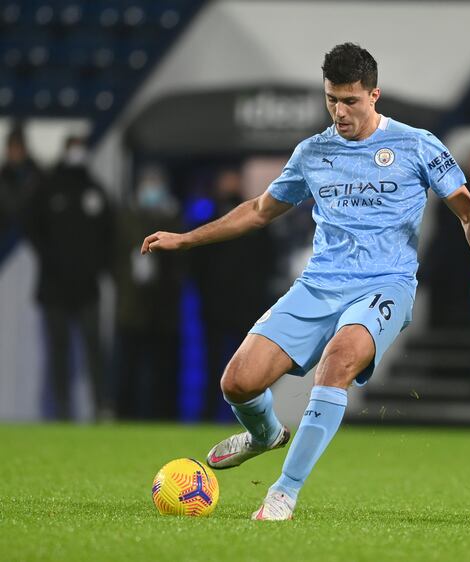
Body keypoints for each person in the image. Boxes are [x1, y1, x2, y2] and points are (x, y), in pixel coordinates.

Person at [141, 43, 470, 521]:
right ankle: (266, 434)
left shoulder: (417, 144)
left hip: (385, 284)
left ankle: (283, 492)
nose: (340, 110)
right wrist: (186, 239)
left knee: (337, 364)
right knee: (238, 383)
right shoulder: (312, 152)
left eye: (350, 100)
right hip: (319, 284)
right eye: (332, 99)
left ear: (374, 95)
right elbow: (259, 211)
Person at [26, 135, 114, 420]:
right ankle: (61, 409)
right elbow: (31, 226)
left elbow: (110, 235)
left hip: (87, 287)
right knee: (58, 351)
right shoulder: (48, 189)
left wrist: (96, 266)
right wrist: (52, 260)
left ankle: (101, 406)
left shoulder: (96, 191)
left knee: (94, 351)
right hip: (54, 287)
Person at [191, 168, 280, 421]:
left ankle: (250, 418)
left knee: (251, 367)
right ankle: (208, 415)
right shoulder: (207, 221)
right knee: (212, 366)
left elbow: (268, 262)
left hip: (247, 307)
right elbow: (196, 267)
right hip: (216, 307)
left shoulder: (256, 222)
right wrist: (205, 297)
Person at [114, 166, 183, 419]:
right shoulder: (127, 217)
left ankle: (163, 416)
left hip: (163, 307)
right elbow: (114, 258)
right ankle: (125, 416)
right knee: (129, 367)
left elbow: (181, 264)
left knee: (162, 369)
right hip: (132, 307)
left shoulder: (173, 217)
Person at [0, 125, 42, 259]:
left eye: (18, 147)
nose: (15, 152)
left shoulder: (37, 176)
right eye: (12, 148)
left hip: (32, 241)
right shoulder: (3, 177)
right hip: (6, 240)